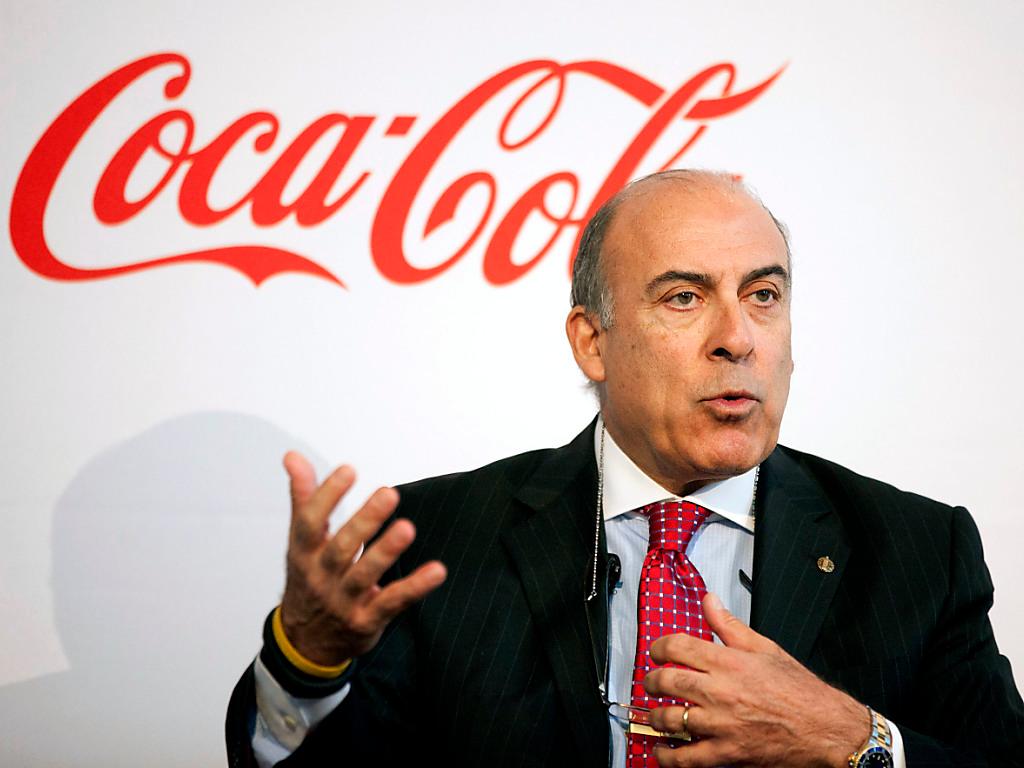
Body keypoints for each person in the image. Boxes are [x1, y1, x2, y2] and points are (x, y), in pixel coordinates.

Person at [226, 170, 1024, 768]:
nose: (738, 337)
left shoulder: (919, 551)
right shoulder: (435, 540)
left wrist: (855, 740)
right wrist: (309, 661)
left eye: (763, 295)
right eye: (684, 298)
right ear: (592, 342)